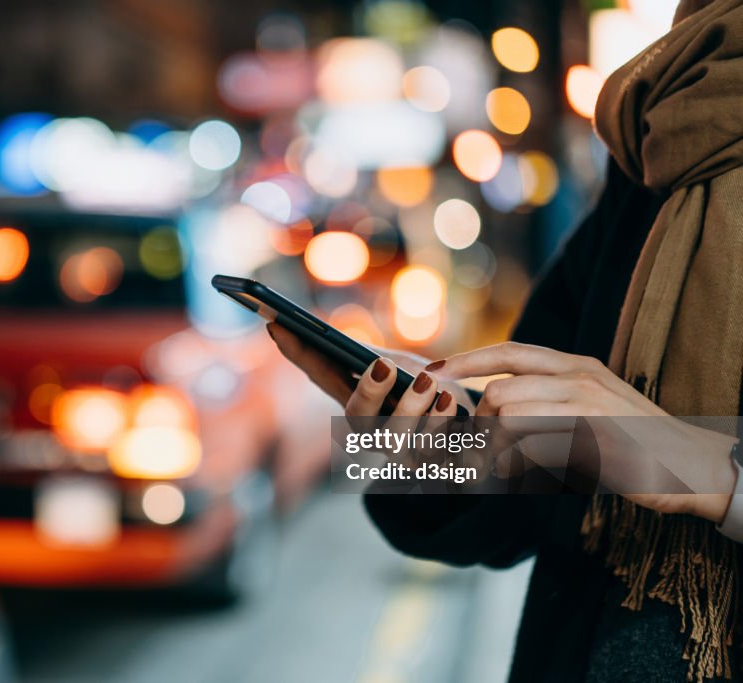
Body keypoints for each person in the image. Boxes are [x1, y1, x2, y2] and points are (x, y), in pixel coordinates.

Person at [269, 0, 743, 680]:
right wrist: (435, 444)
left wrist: (710, 469)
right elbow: (546, 477)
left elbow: (646, 451)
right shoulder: (660, 134)